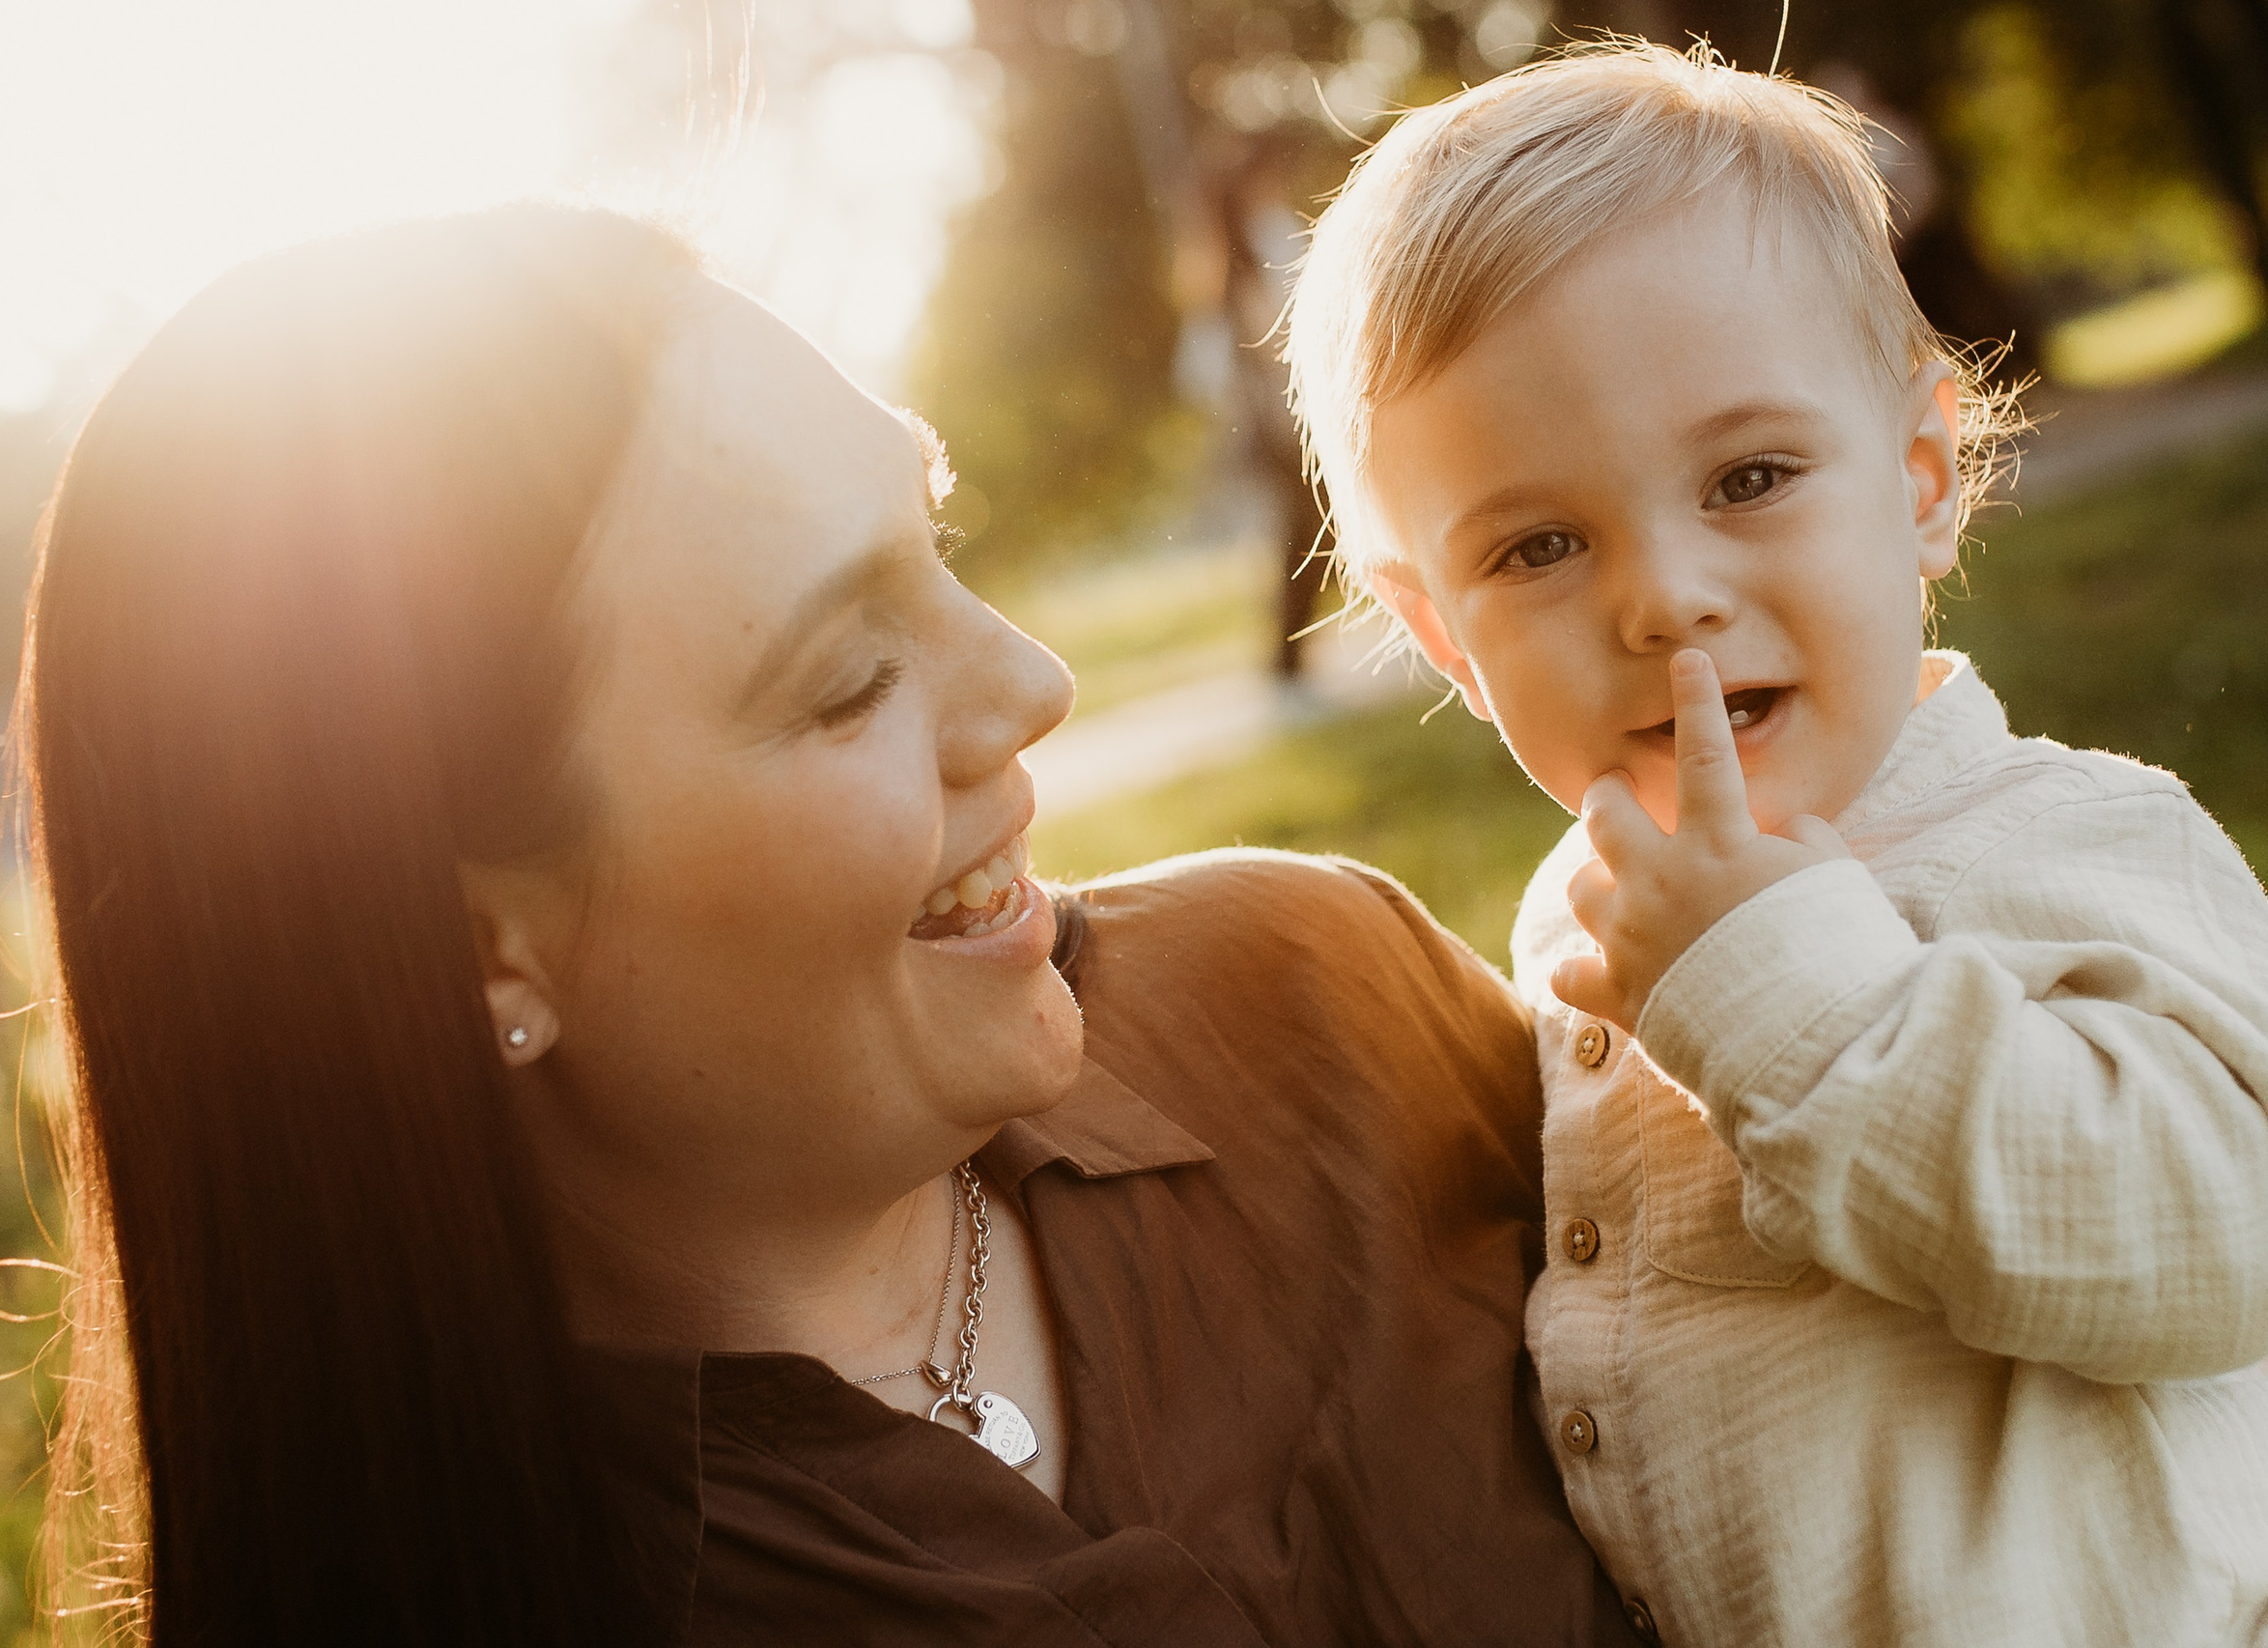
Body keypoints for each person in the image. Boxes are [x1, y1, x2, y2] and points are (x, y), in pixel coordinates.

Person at [20, 206, 1639, 1645]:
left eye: (939, 543)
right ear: (480, 951)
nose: (1030, 684)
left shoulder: (1321, 1000)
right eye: (846, 678)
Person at [1284, 40, 2268, 1648]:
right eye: (1539, 545)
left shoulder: (2072, 840)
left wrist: (1791, 997)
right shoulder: (1585, 923)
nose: (1664, 596)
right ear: (1439, 633)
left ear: (1918, 481)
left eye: (1750, 477)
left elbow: (2234, 1228)